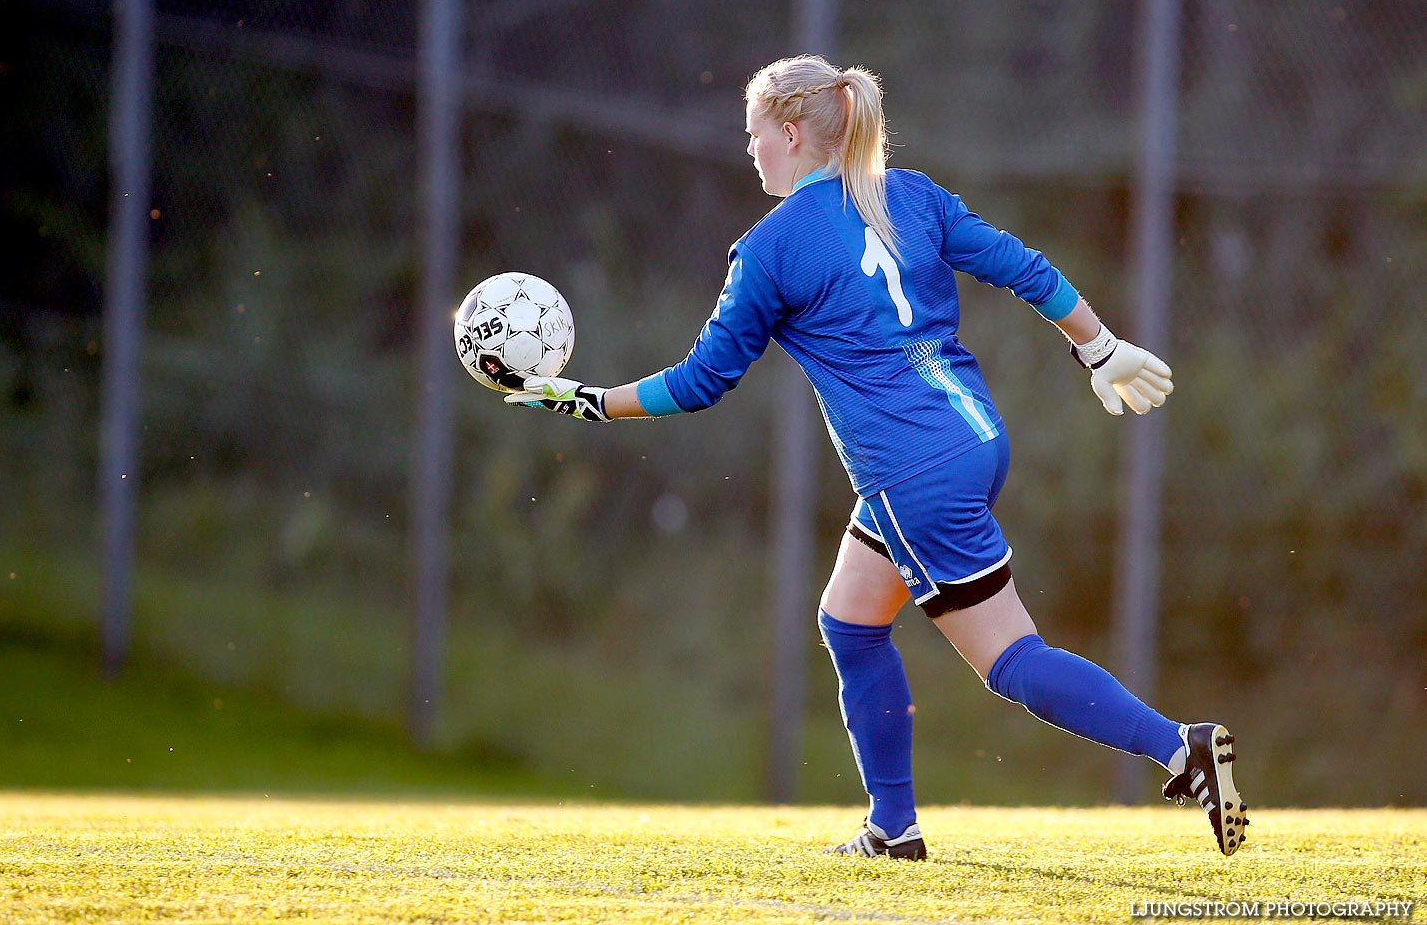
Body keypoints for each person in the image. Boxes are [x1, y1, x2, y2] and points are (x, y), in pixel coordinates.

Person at [504, 55, 1247, 858]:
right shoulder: (914, 195)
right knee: (850, 620)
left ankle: (1181, 745)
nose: (748, 149)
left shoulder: (768, 249)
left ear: (790, 133)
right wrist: (1098, 347)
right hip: (973, 440)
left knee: (1010, 659)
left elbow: (698, 382)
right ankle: (892, 828)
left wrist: (586, 398)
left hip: (911, 472)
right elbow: (1021, 267)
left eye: (752, 134)